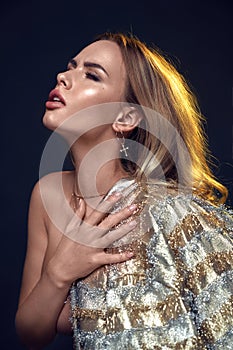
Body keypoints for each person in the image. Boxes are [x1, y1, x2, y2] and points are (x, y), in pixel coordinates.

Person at [15, 32, 233, 350]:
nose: (63, 77)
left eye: (91, 74)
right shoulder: (47, 193)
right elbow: (31, 333)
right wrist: (59, 271)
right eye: (70, 67)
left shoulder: (160, 210)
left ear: (125, 117)